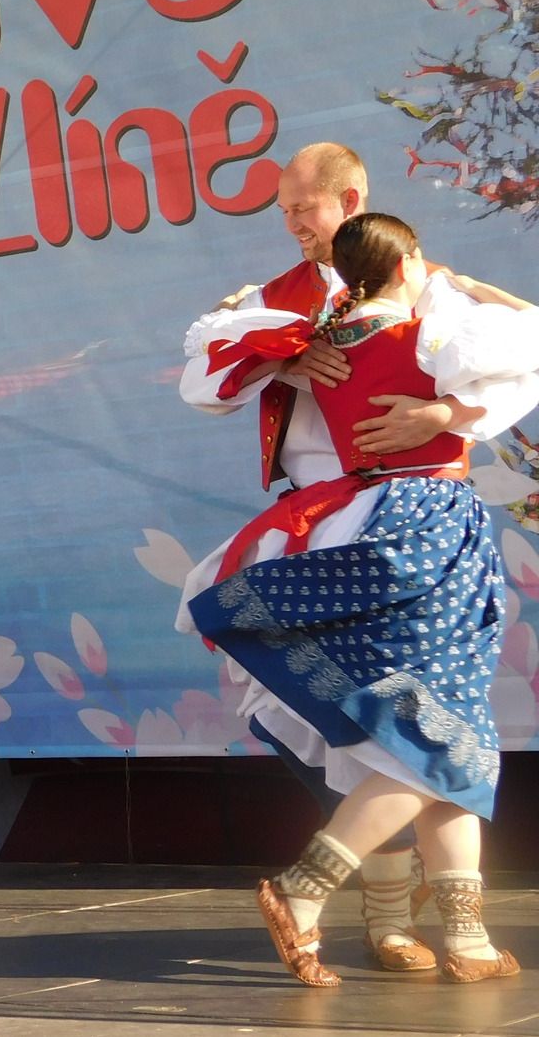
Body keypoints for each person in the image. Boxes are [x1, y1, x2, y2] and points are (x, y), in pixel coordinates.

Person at [178, 142, 527, 970]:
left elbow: (510, 370)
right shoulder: (280, 305)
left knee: (418, 725)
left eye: (306, 209)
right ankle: (381, 908)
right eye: (286, 213)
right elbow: (204, 382)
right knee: (398, 730)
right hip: (343, 524)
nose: (295, 226)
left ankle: (437, 926)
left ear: (352, 199)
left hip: (402, 519)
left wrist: (440, 412)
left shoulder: (434, 292)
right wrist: (287, 356)